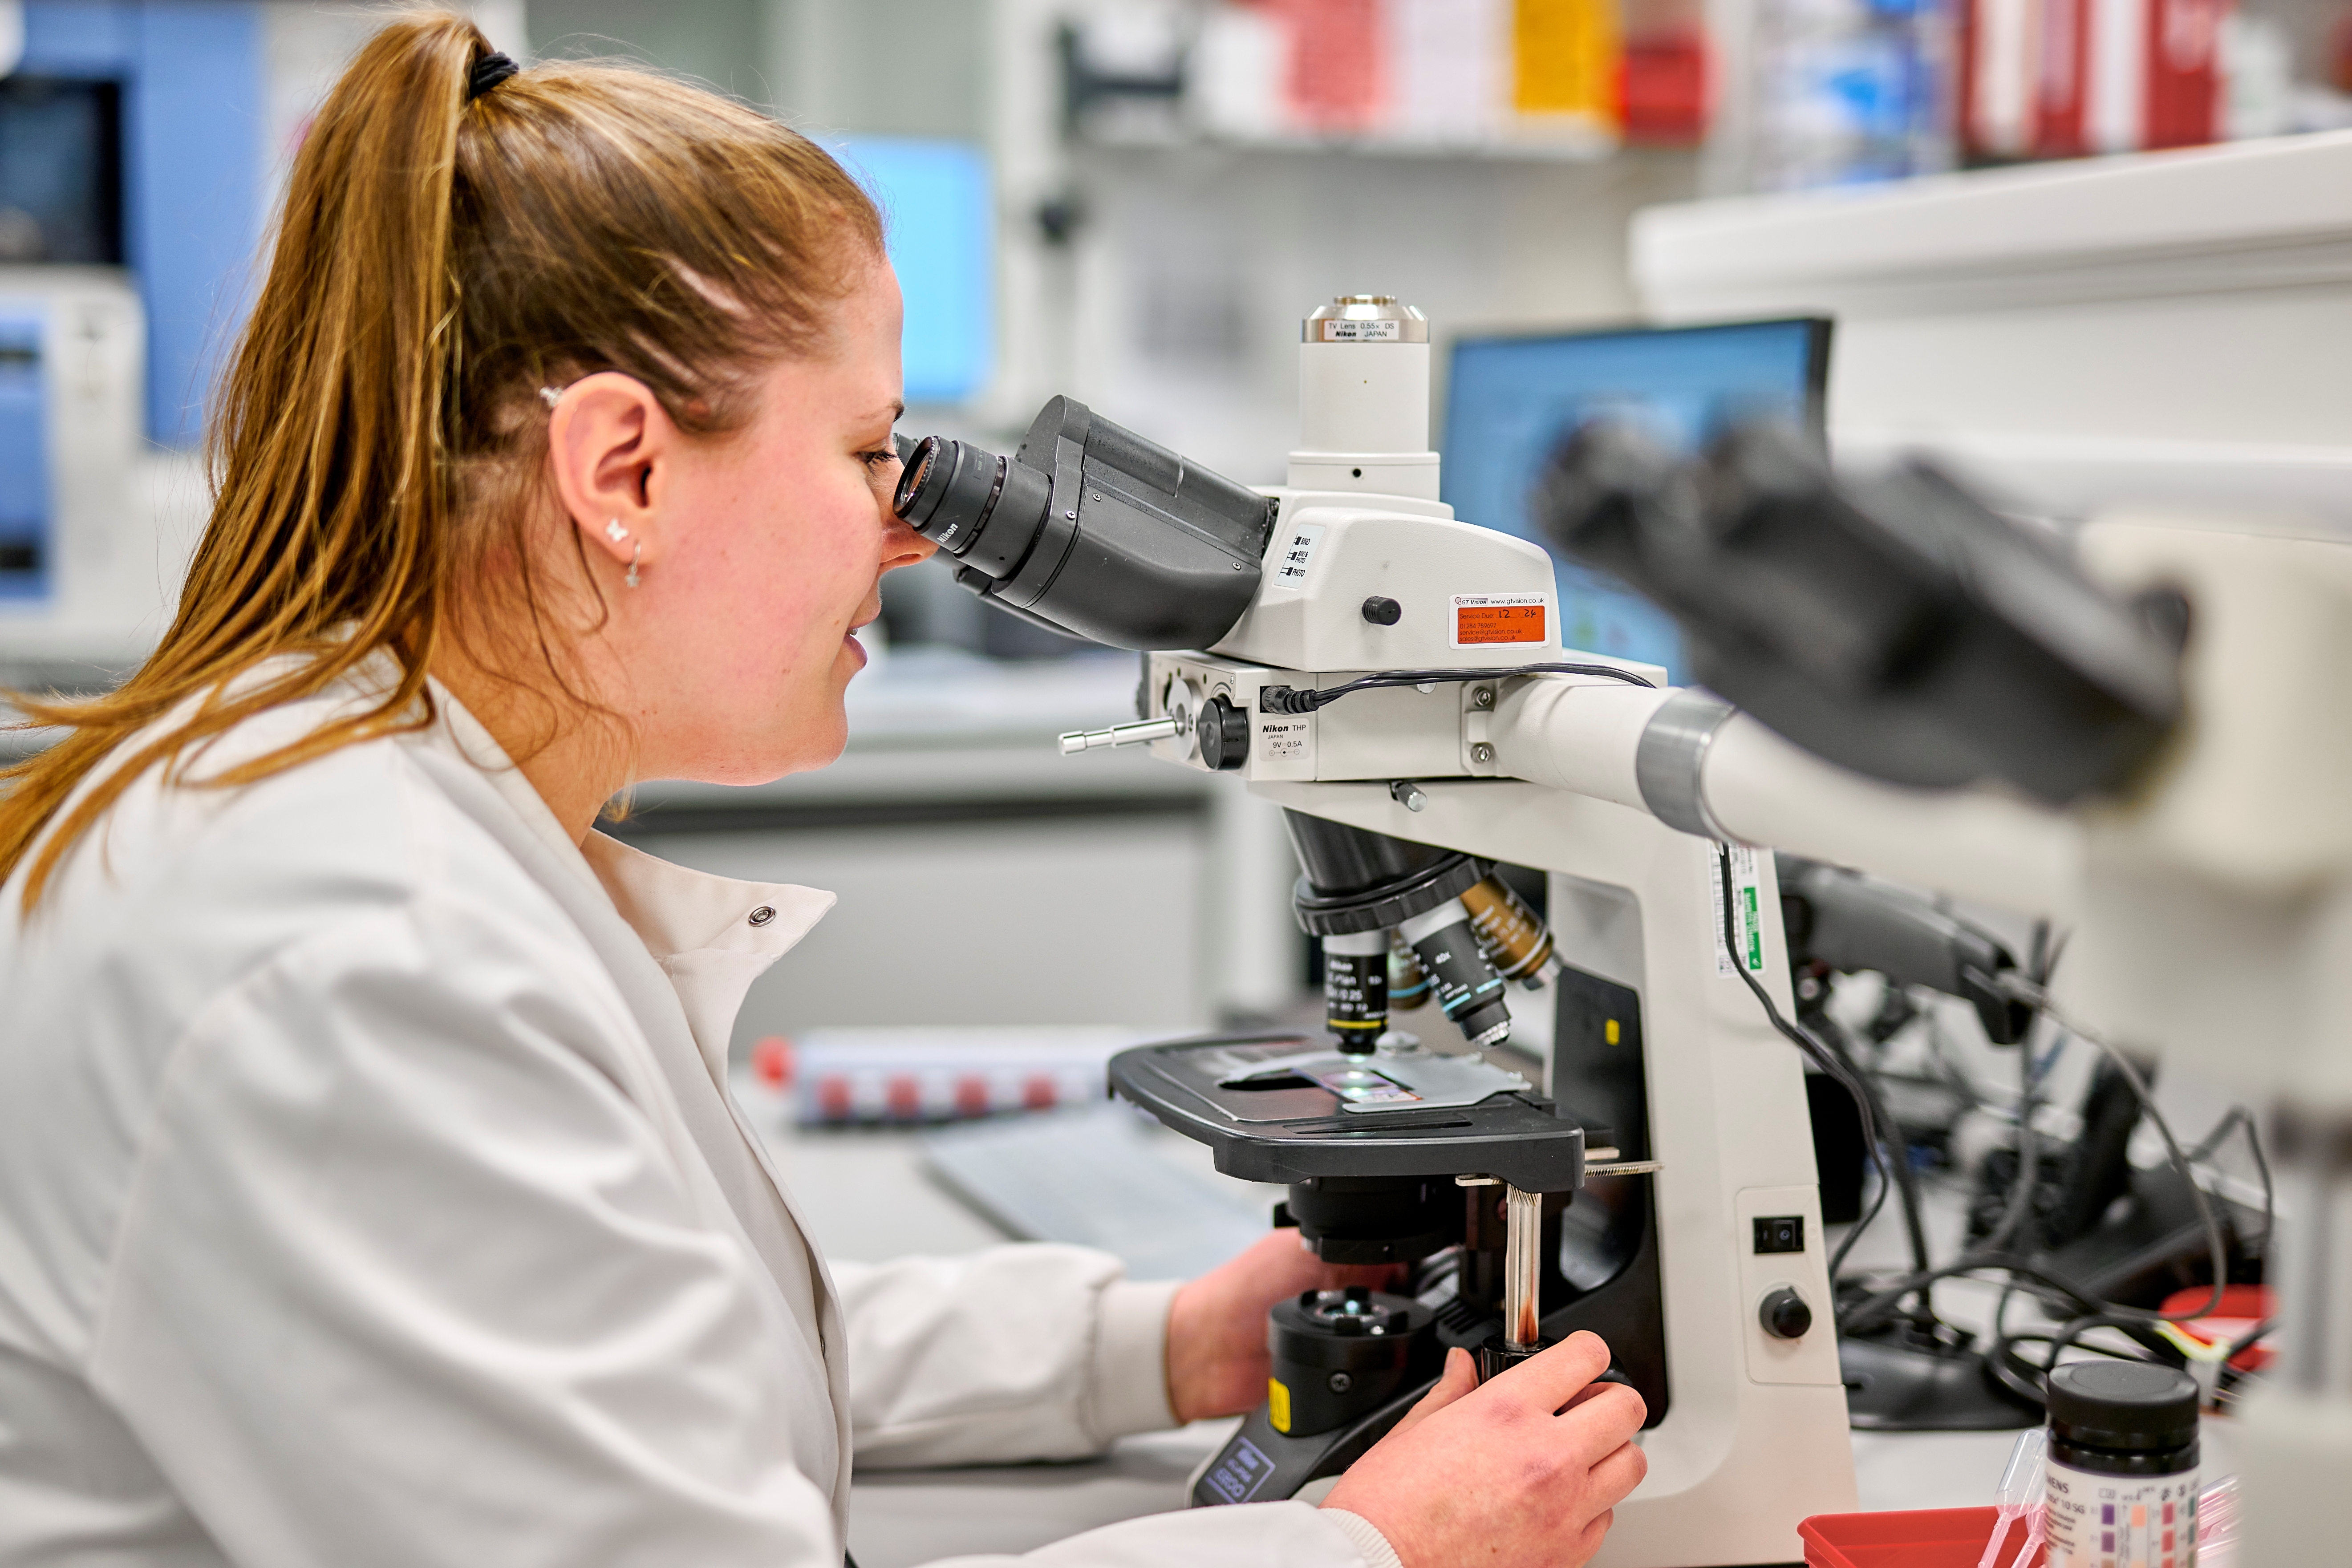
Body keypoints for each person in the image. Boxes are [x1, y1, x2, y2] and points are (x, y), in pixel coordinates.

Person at [0, 16, 1647, 1568]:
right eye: (869, 453)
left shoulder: (345, 817)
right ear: (622, 470)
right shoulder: (356, 953)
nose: (910, 529)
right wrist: (1364, 1543)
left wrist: (1150, 1343)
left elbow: (625, 1357)